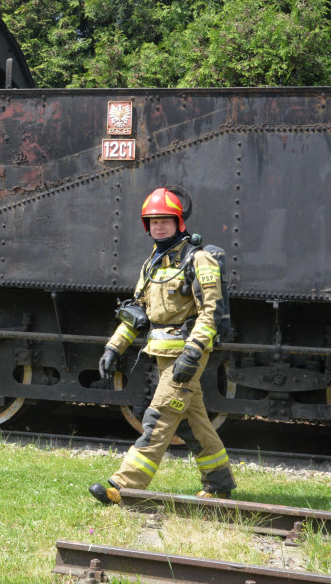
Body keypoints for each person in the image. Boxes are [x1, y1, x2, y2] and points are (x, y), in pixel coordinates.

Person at [89, 187, 235, 505]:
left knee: (160, 416)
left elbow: (211, 312)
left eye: (165, 221)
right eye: (153, 221)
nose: (158, 226)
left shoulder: (198, 260)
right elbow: (137, 312)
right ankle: (219, 482)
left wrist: (193, 352)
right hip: (162, 354)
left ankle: (124, 486)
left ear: (178, 222)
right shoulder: (152, 265)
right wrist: (113, 347)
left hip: (186, 355)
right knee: (193, 422)